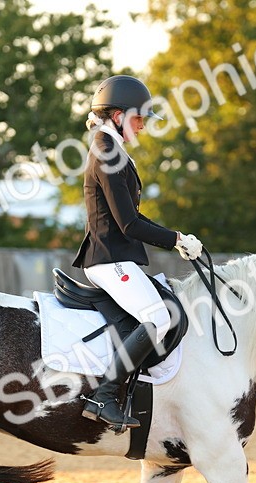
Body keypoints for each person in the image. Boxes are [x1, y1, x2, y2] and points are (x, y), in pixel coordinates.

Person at [73, 74, 204, 429]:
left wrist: (176, 239)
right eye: (138, 118)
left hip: (116, 257)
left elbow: (131, 216)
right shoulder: (107, 151)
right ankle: (103, 396)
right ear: (117, 115)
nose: (143, 127)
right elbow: (129, 224)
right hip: (109, 259)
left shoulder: (112, 149)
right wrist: (175, 239)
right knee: (159, 318)